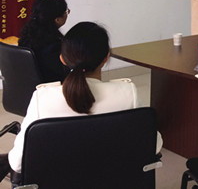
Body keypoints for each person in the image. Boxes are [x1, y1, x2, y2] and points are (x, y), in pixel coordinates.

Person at [5, 21, 162, 179]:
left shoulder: (43, 99)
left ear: (62, 59)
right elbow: (155, 146)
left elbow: (17, 163)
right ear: (106, 58)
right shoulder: (127, 94)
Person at [18, 0, 69, 83]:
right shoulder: (54, 45)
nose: (67, 14)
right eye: (66, 12)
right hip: (50, 87)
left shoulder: (26, 36)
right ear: (57, 19)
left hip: (28, 86)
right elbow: (62, 74)